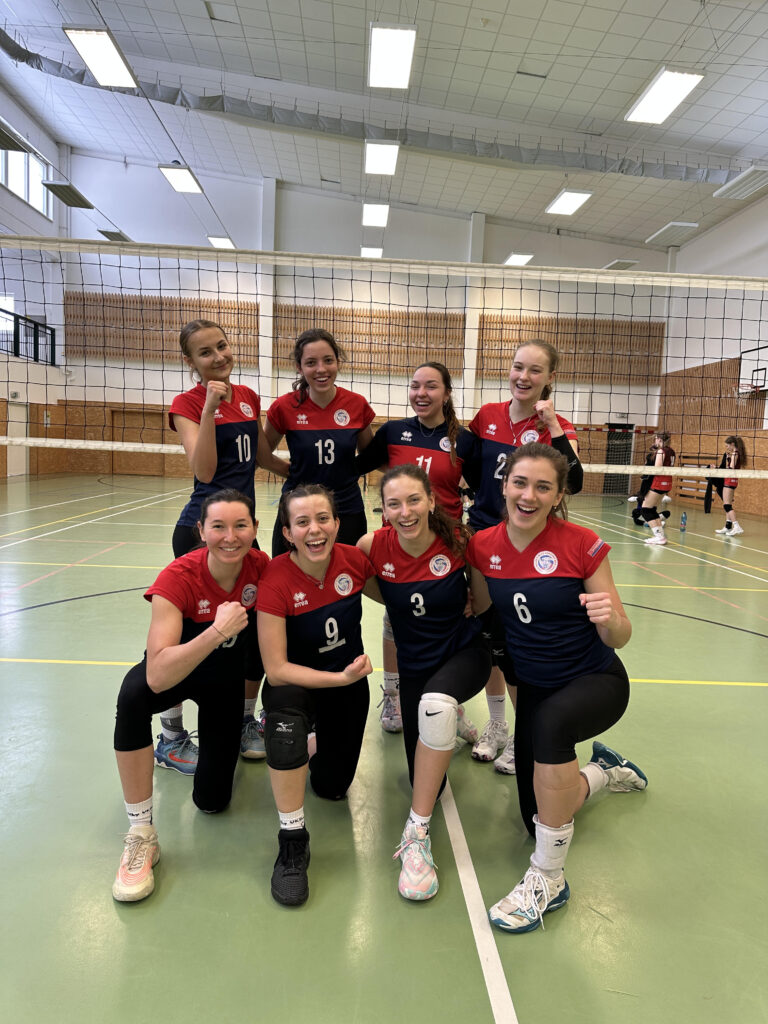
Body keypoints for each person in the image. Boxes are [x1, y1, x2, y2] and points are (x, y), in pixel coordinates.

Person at [467, 443, 647, 934]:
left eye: (543, 487)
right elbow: (481, 609)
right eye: (520, 483)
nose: (529, 495)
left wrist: (611, 620)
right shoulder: (482, 546)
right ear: (505, 485)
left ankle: (548, 877)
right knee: (538, 816)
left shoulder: (581, 544)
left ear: (559, 494)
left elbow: (620, 636)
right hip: (537, 687)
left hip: (595, 679)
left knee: (549, 726)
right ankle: (604, 772)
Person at [112, 490, 269, 902]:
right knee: (132, 695)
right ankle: (141, 831)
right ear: (201, 530)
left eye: (240, 525)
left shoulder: (260, 567)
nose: (230, 537)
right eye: (218, 526)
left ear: (254, 528)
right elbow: (158, 675)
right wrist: (217, 631)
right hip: (179, 672)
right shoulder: (177, 577)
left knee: (213, 802)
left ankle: (232, 740)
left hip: (224, 686)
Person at [357, 465, 492, 901]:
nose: (405, 511)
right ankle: (450, 720)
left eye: (414, 500)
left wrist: (470, 602)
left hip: (463, 652)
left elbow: (481, 601)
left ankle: (415, 835)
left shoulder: (461, 541)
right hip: (415, 664)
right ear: (383, 510)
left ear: (432, 500)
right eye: (394, 504)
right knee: (427, 781)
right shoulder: (372, 546)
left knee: (435, 705)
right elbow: (373, 588)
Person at [164, 320, 288, 768]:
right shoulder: (186, 403)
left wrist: (303, 473)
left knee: (252, 631)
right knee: (189, 633)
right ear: (190, 362)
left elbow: (259, 456)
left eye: (221, 346)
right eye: (205, 352)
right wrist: (209, 409)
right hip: (204, 533)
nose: (218, 357)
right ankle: (171, 735)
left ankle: (244, 720)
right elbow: (203, 471)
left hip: (242, 533)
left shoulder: (249, 396)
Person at [467, 340, 582, 774]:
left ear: (550, 377)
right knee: (489, 637)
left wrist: (551, 425)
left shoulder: (558, 426)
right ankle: (497, 725)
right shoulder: (486, 416)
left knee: (521, 640)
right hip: (484, 538)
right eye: (518, 367)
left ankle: (523, 732)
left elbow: (575, 482)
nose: (524, 377)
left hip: (530, 545)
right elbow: (470, 471)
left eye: (535, 370)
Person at [256, 484, 373, 907]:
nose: (315, 529)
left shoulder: (355, 561)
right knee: (286, 723)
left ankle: (312, 740)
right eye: (302, 522)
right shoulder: (275, 578)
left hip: (346, 684)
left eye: (323, 519)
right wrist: (339, 679)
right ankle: (292, 841)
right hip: (299, 685)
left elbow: (397, 593)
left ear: (337, 524)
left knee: (331, 787)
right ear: (288, 533)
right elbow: (276, 669)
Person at [354, 361, 480, 741]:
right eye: (415, 386)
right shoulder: (393, 432)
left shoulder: (464, 441)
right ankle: (394, 697)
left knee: (448, 620)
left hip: (446, 544)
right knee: (397, 617)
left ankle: (449, 701)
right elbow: (359, 466)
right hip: (400, 543)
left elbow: (482, 491)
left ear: (447, 393)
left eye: (431, 386)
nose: (421, 393)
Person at [263, 328, 375, 557]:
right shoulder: (284, 407)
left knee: (348, 572)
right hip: (298, 506)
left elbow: (369, 456)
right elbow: (262, 455)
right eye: (311, 362)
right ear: (299, 367)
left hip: (346, 507)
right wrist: (290, 471)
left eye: (328, 360)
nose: (321, 369)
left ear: (337, 362)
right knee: (287, 571)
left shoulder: (356, 404)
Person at [639, 431, 676, 546]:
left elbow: (657, 469)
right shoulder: (671, 451)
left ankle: (659, 537)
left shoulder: (661, 451)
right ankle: (661, 537)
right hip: (667, 482)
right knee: (652, 509)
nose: (654, 440)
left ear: (659, 439)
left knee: (645, 510)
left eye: (656, 439)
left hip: (658, 483)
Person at [713, 435, 747, 536]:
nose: (727, 447)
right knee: (728, 504)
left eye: (727, 445)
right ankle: (728, 527)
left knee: (727, 505)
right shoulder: (736, 453)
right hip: (733, 480)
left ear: (732, 444)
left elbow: (731, 469)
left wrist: (718, 469)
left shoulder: (735, 453)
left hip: (729, 480)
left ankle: (736, 526)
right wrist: (728, 459)